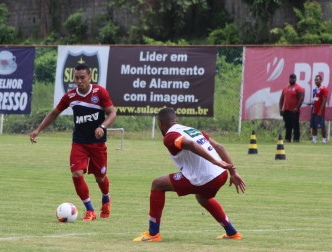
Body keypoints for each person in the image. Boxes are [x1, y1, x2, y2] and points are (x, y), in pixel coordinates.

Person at [133, 108, 246, 242]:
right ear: (176, 120)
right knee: (203, 198)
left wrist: (214, 161)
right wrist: (233, 172)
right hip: (221, 175)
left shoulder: (170, 136)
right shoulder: (190, 129)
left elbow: (190, 144)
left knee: (157, 184)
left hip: (206, 178)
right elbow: (220, 147)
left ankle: (153, 234)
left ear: (160, 123)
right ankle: (232, 233)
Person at [29, 63, 117, 221]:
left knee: (100, 178)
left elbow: (112, 113)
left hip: (97, 143)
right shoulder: (70, 96)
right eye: (76, 78)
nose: (79, 81)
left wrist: (102, 127)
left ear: (90, 77)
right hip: (79, 142)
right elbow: (54, 113)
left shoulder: (100, 92)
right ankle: (90, 210)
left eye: (82, 78)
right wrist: (38, 130)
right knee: (76, 173)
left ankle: (106, 199)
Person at [279, 73, 304, 143]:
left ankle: (296, 138)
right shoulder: (285, 88)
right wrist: (281, 109)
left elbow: (301, 98)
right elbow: (281, 99)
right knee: (287, 125)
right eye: (290, 78)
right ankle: (287, 138)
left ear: (295, 79)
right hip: (286, 110)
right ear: (289, 79)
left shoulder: (299, 88)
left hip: (294, 110)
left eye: (293, 78)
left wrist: (297, 107)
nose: (291, 79)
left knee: (295, 125)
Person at [310, 75, 329, 144]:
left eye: (317, 80)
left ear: (321, 80)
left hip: (320, 111)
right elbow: (315, 99)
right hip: (314, 110)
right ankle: (314, 139)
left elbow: (324, 100)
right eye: (315, 80)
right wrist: (311, 103)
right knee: (313, 125)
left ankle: (324, 139)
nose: (316, 81)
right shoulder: (315, 89)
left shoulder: (324, 89)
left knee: (322, 126)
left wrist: (320, 110)